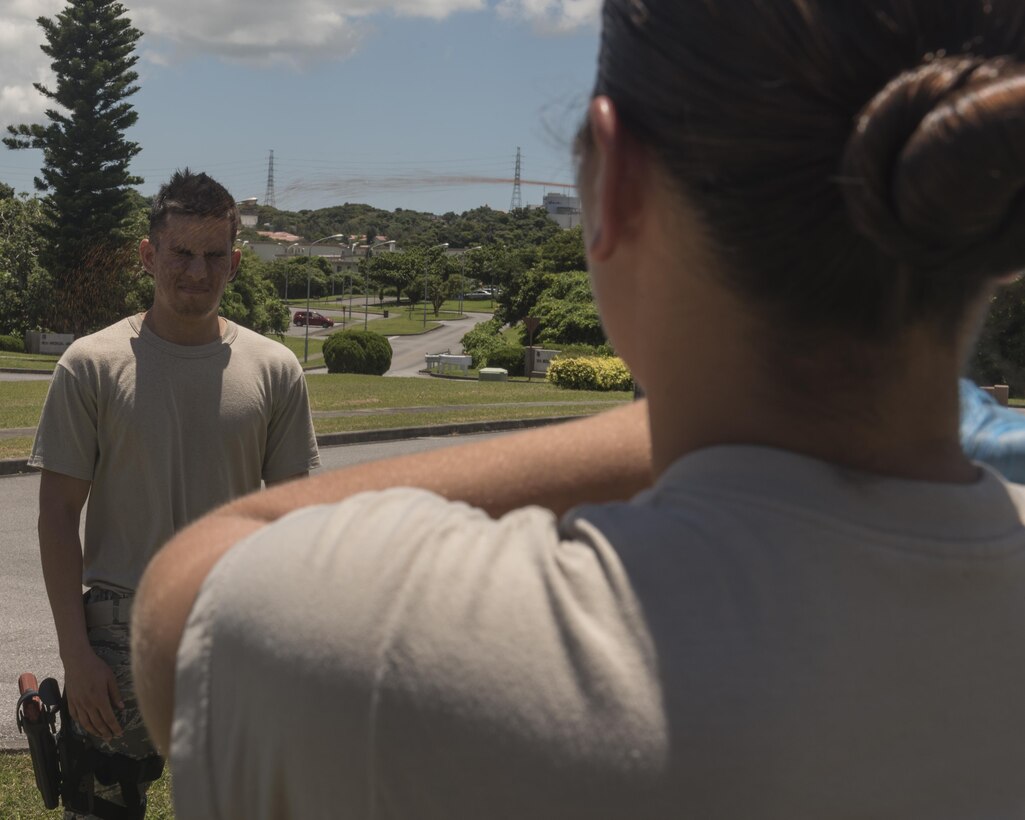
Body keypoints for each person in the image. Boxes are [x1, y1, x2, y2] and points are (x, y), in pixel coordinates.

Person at [133, 3, 1025, 817]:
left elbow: (192, 594)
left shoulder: (376, 645)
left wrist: (708, 415)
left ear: (611, 187)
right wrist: (859, 404)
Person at [29, 169, 319, 819]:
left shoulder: (276, 371)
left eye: (214, 255)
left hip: (234, 631)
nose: (197, 271)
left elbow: (293, 527)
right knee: (101, 807)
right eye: (181, 252)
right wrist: (76, 655)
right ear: (148, 254)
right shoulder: (91, 365)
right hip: (118, 638)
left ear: (235, 263)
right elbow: (57, 516)